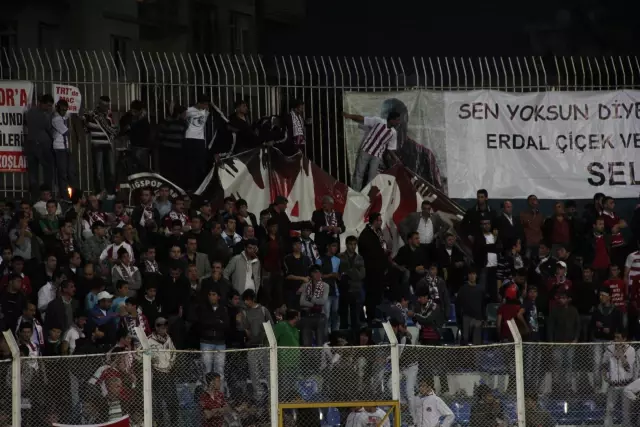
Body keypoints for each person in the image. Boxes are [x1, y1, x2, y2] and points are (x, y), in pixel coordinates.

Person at [344, 111, 401, 191]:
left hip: (377, 156)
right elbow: (362, 119)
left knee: (372, 178)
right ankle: (355, 192)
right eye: (397, 120)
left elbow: (390, 148)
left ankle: (366, 195)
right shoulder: (378, 121)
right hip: (366, 150)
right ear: (391, 120)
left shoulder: (393, 133)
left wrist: (396, 158)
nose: (398, 122)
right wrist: (349, 116)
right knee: (359, 173)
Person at [148, 316, 179, 427]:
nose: (163, 328)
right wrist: (150, 358)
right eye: (160, 326)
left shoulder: (168, 338)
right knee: (158, 402)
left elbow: (174, 351)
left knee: (173, 400)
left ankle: (174, 423)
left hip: (168, 373)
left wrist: (171, 363)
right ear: (156, 327)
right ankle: (160, 424)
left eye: (165, 326)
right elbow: (139, 354)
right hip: (157, 374)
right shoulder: (149, 340)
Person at [85, 96, 118, 197]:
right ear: (99, 104)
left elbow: (113, 130)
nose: (105, 108)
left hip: (107, 145)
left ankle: (110, 192)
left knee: (111, 171)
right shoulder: (91, 114)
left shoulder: (109, 115)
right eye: (103, 105)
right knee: (98, 171)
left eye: (107, 105)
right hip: (97, 144)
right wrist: (88, 119)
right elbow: (86, 129)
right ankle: (98, 193)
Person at [25, 94, 55, 200]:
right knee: (48, 171)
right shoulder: (45, 115)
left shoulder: (29, 112)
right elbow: (48, 128)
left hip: (31, 144)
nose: (49, 108)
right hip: (43, 145)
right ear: (42, 103)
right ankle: (47, 196)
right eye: (48, 105)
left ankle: (34, 197)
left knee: (33, 172)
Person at [602, 331, 634, 427]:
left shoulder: (631, 350)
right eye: (615, 337)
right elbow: (604, 363)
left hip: (626, 385)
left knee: (626, 411)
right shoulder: (609, 349)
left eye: (618, 338)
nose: (616, 340)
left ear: (624, 339)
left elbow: (628, 368)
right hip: (613, 384)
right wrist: (605, 375)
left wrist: (621, 355)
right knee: (609, 409)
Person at [51, 99, 76, 200]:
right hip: (59, 147)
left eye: (65, 110)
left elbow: (69, 115)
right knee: (62, 173)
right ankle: (64, 195)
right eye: (62, 110)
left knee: (70, 172)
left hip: (65, 147)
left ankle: (72, 194)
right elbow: (66, 132)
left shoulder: (63, 117)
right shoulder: (56, 119)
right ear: (58, 109)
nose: (64, 112)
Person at [185, 94, 210, 191]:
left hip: (200, 140)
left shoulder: (205, 111)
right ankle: (190, 185)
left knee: (200, 163)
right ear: (199, 103)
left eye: (206, 105)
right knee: (190, 163)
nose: (205, 106)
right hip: (189, 138)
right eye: (204, 104)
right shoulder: (189, 110)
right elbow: (182, 117)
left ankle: (200, 186)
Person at [299, 265, 329, 347]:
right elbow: (302, 302)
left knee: (320, 343)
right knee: (306, 344)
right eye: (316, 272)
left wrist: (310, 299)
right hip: (307, 316)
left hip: (320, 316)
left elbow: (323, 301)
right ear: (311, 274)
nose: (319, 274)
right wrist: (314, 304)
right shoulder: (306, 285)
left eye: (320, 272)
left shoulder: (325, 286)